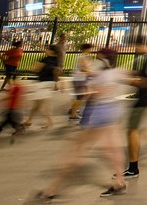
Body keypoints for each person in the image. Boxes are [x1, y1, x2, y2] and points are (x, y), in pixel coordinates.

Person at [37, 48, 128, 199]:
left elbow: (96, 91)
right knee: (113, 148)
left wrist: (74, 100)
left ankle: (51, 190)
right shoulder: (116, 72)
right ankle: (120, 181)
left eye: (99, 56)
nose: (97, 58)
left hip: (100, 112)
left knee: (76, 150)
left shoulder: (102, 73)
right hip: (113, 111)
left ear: (104, 58)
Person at [124, 36, 147, 177]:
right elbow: (144, 75)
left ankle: (133, 168)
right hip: (146, 97)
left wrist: (124, 80)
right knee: (133, 130)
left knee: (132, 131)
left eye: (136, 46)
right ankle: (133, 166)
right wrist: (131, 73)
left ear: (140, 45)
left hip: (143, 98)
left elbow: (144, 82)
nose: (135, 49)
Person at [24, 45, 59, 129]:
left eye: (47, 49)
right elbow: (56, 72)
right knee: (37, 104)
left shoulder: (45, 59)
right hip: (50, 83)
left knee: (43, 104)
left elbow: (36, 69)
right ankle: (29, 120)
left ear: (51, 51)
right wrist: (56, 83)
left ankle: (50, 121)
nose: (45, 50)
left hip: (42, 83)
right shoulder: (56, 61)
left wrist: (30, 68)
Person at [68, 43, 95, 120]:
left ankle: (73, 110)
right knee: (80, 97)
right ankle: (73, 114)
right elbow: (83, 68)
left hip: (83, 79)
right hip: (79, 79)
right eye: (90, 48)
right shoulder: (82, 57)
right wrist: (92, 73)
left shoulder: (87, 57)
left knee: (81, 96)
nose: (91, 50)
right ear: (86, 49)